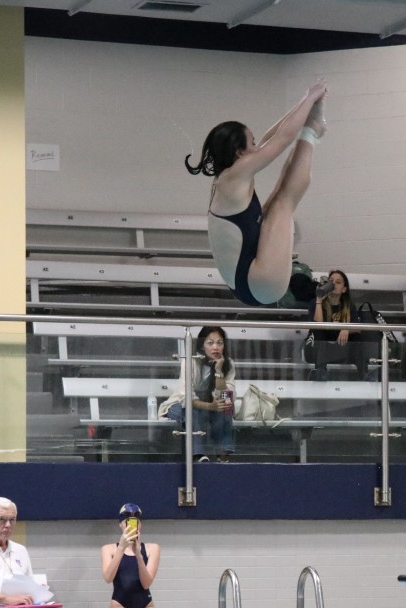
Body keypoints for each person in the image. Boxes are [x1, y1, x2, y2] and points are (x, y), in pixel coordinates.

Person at [185, 81, 328, 306]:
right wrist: (310, 98)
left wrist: (305, 102)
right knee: (283, 202)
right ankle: (311, 132)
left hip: (247, 283)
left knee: (279, 196)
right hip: (259, 284)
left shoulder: (229, 176)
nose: (257, 146)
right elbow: (282, 138)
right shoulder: (234, 177)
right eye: (252, 143)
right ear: (239, 152)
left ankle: (311, 129)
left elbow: (272, 137)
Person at [157, 326, 235, 463]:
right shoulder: (190, 361)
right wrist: (211, 406)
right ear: (202, 346)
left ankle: (223, 454)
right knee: (193, 411)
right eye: (210, 343)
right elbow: (186, 398)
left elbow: (226, 398)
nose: (215, 347)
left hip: (209, 408)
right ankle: (198, 455)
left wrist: (219, 371)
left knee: (225, 409)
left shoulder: (228, 364)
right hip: (180, 406)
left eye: (220, 343)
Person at [309, 269, 369, 379]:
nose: (333, 284)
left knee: (356, 337)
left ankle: (364, 374)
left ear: (344, 289)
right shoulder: (315, 303)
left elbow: (357, 329)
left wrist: (346, 328)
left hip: (339, 346)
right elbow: (317, 325)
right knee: (319, 332)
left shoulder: (349, 305)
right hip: (317, 346)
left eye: (338, 282)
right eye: (331, 281)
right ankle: (320, 371)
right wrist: (319, 300)